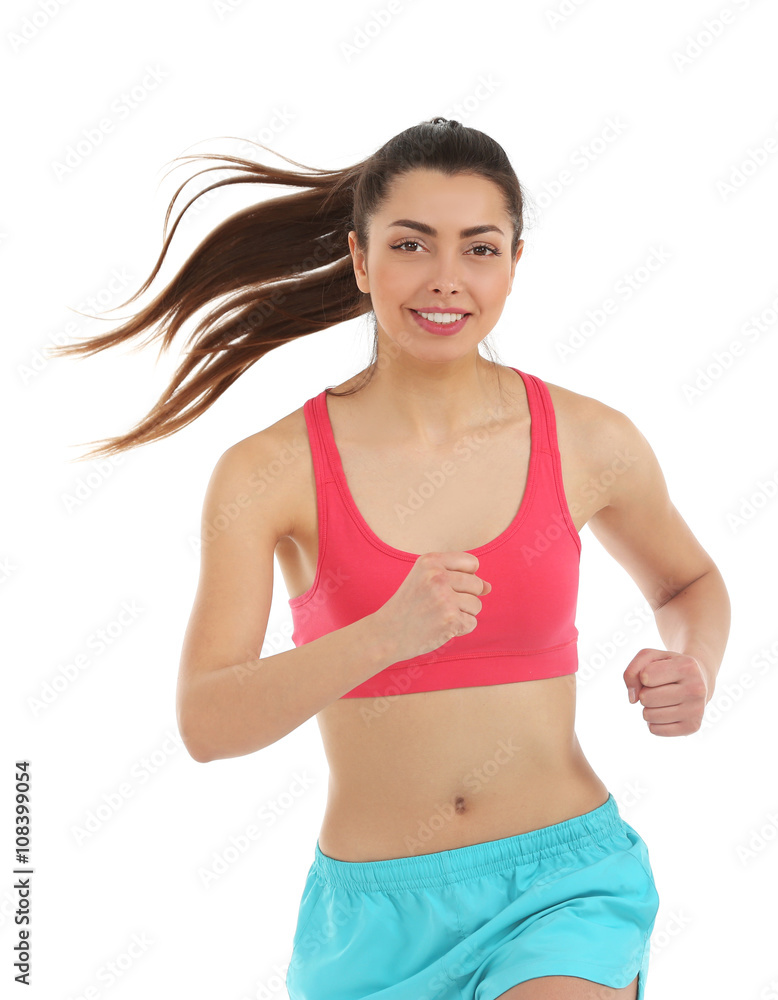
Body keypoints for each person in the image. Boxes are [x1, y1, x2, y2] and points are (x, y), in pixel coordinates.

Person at [51, 117, 730, 1000]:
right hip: (370, 923)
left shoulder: (591, 440)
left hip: (560, 887)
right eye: (411, 245)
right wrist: (381, 637)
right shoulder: (267, 472)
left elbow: (688, 582)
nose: (447, 278)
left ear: (515, 263)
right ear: (362, 260)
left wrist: (696, 664)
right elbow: (207, 724)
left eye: (479, 248)